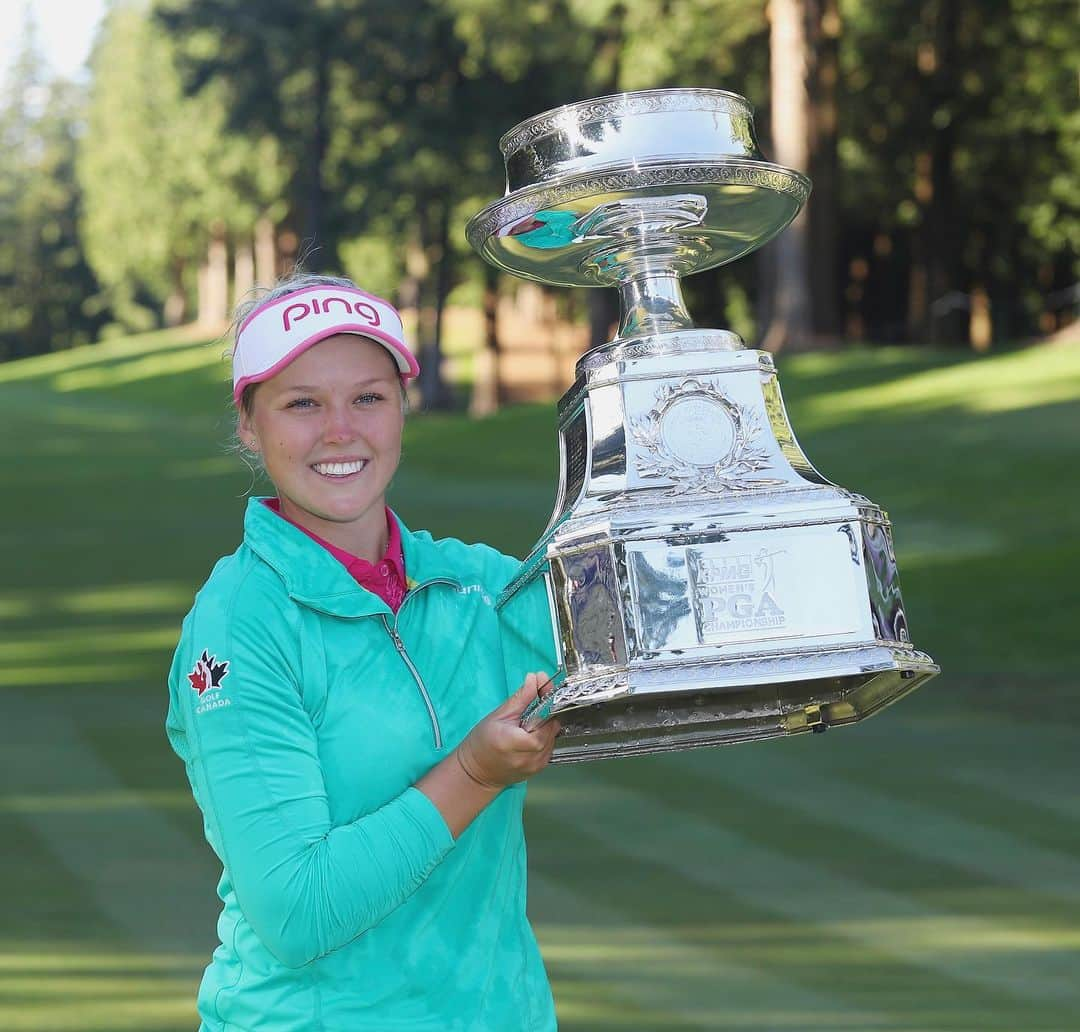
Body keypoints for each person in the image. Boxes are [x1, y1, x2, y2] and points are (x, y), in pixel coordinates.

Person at [166, 272, 561, 1032]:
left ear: (403, 409)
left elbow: (650, 658)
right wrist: (474, 773)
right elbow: (298, 908)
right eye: (302, 403)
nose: (340, 430)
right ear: (249, 424)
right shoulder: (238, 625)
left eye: (368, 398)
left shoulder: (472, 583)